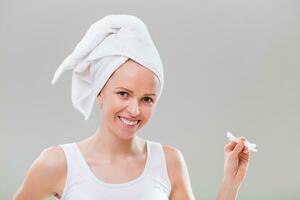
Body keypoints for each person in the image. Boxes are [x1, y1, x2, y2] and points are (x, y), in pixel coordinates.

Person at [14, 15, 250, 200]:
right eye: (123, 94)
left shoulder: (169, 162)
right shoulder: (59, 162)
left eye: (147, 99)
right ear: (99, 91)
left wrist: (230, 183)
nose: (134, 110)